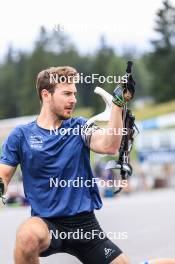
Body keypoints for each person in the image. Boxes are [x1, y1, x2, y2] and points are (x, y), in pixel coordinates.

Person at [0, 66, 174, 264]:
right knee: (27, 236)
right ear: (46, 95)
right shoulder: (21, 135)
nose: (73, 99)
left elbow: (109, 145)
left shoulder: (80, 127)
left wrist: (118, 104)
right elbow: (3, 176)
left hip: (84, 226)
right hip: (46, 224)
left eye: (74, 94)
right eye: (66, 94)